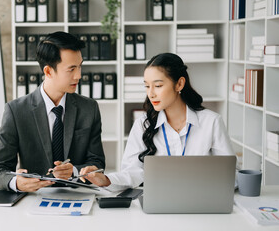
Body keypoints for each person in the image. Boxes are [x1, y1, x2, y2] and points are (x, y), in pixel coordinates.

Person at [80, 53, 233, 192]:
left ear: (179, 84)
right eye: (147, 86)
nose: (151, 93)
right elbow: (132, 173)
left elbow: (229, 174)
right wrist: (106, 180)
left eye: (158, 86)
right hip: (159, 203)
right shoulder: (142, 125)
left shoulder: (212, 122)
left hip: (202, 200)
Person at [0, 31, 105, 192]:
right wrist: (16, 182)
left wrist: (75, 171)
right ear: (48, 71)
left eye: (80, 66)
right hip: (33, 199)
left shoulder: (89, 108)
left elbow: (98, 163)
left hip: (77, 195)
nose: (79, 75)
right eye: (71, 69)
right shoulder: (16, 111)